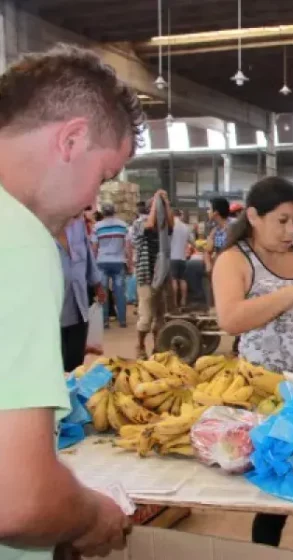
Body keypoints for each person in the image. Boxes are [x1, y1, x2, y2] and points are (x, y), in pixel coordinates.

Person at [0, 43, 142, 559]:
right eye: (103, 175)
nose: (91, 200)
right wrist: (90, 515)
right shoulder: (16, 238)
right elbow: (17, 501)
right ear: (72, 139)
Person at [211, 177, 293, 555]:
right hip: (266, 395)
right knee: (272, 495)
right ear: (253, 215)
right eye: (281, 220)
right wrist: (292, 293)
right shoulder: (235, 260)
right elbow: (231, 319)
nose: (289, 230)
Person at [57, 215, 106, 371]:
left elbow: (88, 254)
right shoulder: (38, 224)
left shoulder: (77, 224)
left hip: (78, 304)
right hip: (52, 309)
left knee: (76, 365)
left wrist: (97, 284)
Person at [133, 191, 174, 359]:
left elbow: (171, 225)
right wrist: (157, 201)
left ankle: (157, 347)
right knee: (146, 316)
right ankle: (140, 345)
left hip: (161, 275)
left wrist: (166, 202)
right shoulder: (139, 223)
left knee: (160, 315)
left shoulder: (164, 229)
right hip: (146, 276)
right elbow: (150, 225)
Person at [92, 203, 129, 328]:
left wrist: (93, 262)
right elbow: (127, 245)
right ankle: (122, 320)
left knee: (103, 292)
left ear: (103, 213)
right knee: (119, 292)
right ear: (114, 211)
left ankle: (105, 321)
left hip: (102, 261)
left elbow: (95, 247)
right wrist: (129, 261)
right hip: (119, 261)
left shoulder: (97, 227)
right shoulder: (123, 225)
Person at [170, 209, 194, 310]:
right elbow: (193, 242)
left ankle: (174, 302)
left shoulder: (170, 226)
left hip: (172, 257)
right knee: (183, 280)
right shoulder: (186, 227)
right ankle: (183, 300)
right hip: (183, 257)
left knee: (174, 280)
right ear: (180, 215)